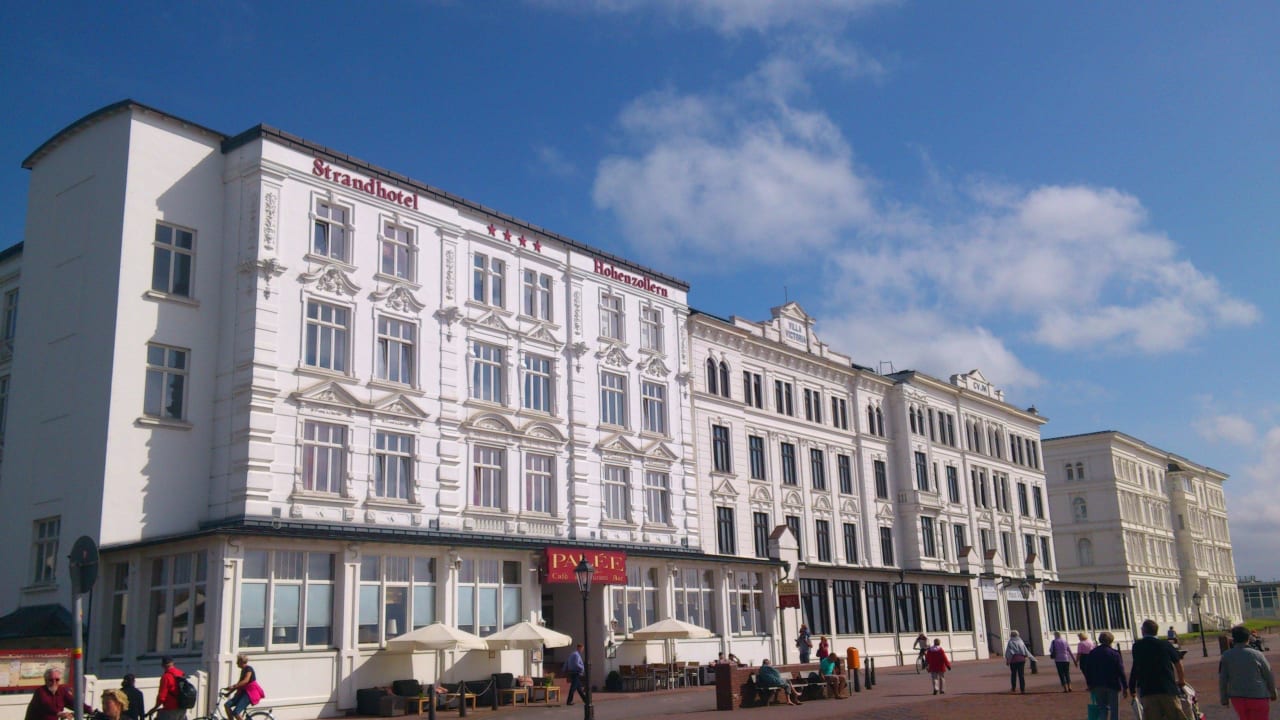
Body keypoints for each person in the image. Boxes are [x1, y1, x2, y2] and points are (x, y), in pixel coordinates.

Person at [1128, 619, 1187, 720]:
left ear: (1143, 631)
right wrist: (1181, 680)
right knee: (1176, 716)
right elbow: (1178, 662)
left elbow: (1136, 667)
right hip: (1167, 688)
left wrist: (1132, 686)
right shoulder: (1165, 644)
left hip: (1147, 689)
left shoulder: (1137, 646)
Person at [1219, 625, 1276, 720]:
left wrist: (1224, 697)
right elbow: (1268, 674)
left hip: (1237, 696)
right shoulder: (1257, 654)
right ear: (1248, 638)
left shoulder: (1226, 656)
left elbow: (1223, 678)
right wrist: (1273, 692)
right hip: (1258, 695)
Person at [1082, 632, 1127, 720]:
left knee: (1102, 709)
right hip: (1112, 684)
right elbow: (1120, 670)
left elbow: (1088, 670)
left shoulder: (1093, 653)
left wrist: (1089, 684)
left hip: (1097, 684)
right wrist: (1125, 686)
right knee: (1114, 709)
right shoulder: (1114, 653)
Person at [222, 653, 260, 720]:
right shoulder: (243, 670)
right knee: (227, 705)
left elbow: (246, 680)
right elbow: (238, 684)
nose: (236, 663)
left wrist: (233, 687)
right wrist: (228, 693)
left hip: (249, 694)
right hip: (243, 693)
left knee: (236, 712)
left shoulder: (249, 669)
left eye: (238, 661)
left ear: (242, 661)